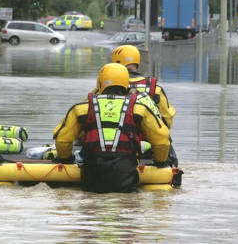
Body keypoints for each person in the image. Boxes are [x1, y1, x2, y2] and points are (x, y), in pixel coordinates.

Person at [52, 63, 170, 194]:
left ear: (100, 83)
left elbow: (62, 140)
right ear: (126, 84)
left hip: (92, 174)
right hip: (126, 173)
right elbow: (162, 141)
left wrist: (66, 159)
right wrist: (160, 163)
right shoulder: (139, 109)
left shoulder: (81, 108)